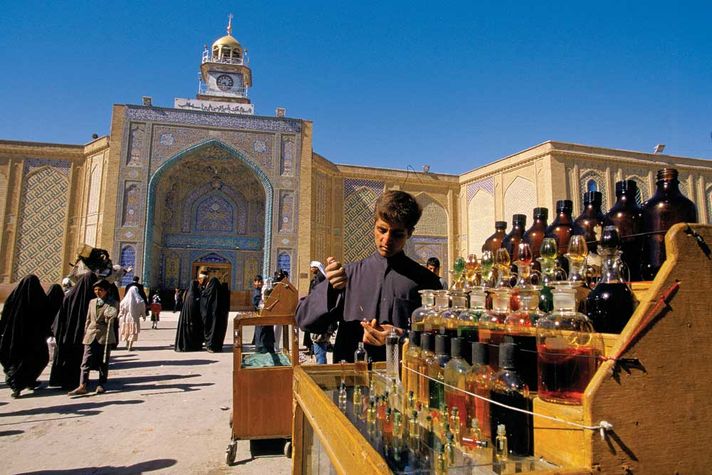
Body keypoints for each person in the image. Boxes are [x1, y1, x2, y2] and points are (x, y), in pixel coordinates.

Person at [296, 190, 442, 362]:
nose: (386, 239)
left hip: (403, 382)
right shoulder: (349, 275)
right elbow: (304, 321)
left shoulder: (427, 282)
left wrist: (403, 336)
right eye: (382, 230)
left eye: (397, 234)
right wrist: (331, 289)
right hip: (351, 380)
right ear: (374, 225)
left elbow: (441, 342)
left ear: (409, 233)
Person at [0, 275, 51, 398]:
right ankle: (20, 384)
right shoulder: (39, 299)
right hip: (33, 339)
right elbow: (46, 317)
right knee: (35, 359)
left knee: (18, 360)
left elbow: (5, 317)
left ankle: (25, 383)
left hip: (14, 338)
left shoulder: (13, 300)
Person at [68, 279, 119, 396]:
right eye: (96, 290)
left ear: (106, 291)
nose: (97, 292)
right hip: (91, 335)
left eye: (100, 290)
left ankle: (101, 384)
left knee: (103, 361)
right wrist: (86, 333)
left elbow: (111, 321)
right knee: (85, 361)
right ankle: (82, 385)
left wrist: (109, 316)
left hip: (104, 335)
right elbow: (88, 319)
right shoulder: (92, 302)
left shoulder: (113, 303)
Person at [49, 272, 98, 389]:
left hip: (67, 335)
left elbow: (60, 318)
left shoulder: (69, 297)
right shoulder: (93, 299)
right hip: (83, 336)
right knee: (79, 358)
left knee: (66, 356)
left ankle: (61, 380)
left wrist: (58, 333)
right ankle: (76, 381)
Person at [201, 276, 229, 353]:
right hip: (219, 319)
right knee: (217, 331)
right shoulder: (221, 294)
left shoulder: (208, 293)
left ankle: (210, 345)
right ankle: (217, 346)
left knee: (210, 330)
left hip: (209, 318)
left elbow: (203, 304)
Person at [175, 280, 204, 352]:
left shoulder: (188, 295)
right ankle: (191, 345)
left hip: (187, 318)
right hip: (192, 319)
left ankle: (187, 345)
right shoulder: (193, 296)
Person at [118, 286, 145, 350]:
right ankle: (130, 345)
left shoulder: (124, 300)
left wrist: (120, 314)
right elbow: (142, 309)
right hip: (134, 318)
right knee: (132, 331)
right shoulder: (139, 300)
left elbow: (121, 309)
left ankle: (127, 344)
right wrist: (143, 315)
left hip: (126, 318)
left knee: (127, 331)